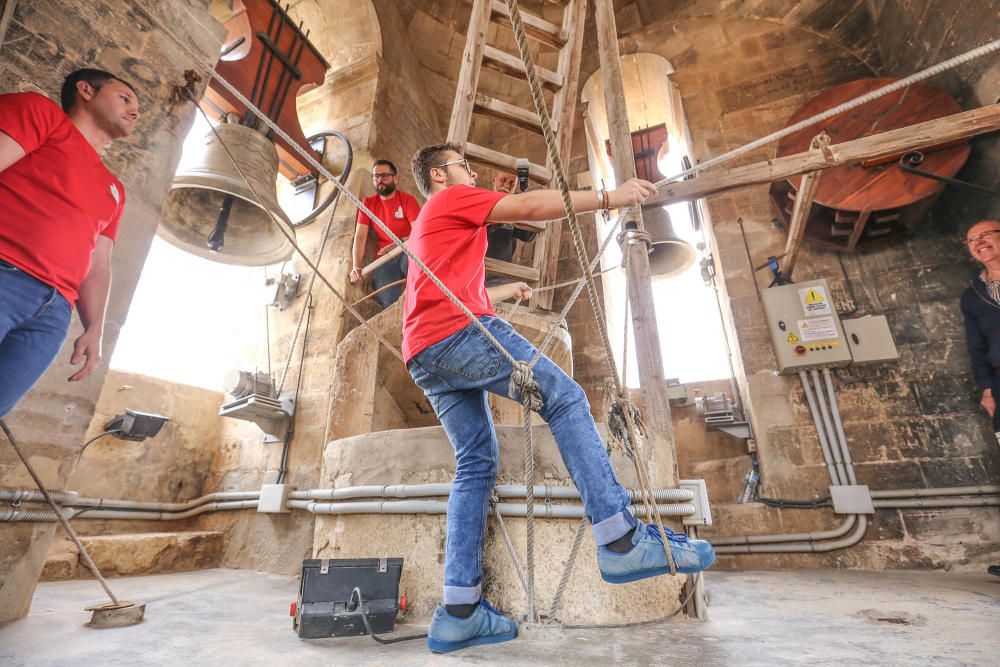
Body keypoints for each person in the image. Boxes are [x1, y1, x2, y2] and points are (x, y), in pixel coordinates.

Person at [403, 143, 716, 654]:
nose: (473, 172)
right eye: (464, 164)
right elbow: (527, 209)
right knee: (566, 397)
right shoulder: (450, 198)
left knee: (475, 463)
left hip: (424, 352)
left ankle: (459, 612)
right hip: (456, 333)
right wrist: (611, 196)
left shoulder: (433, 227)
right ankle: (619, 540)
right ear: (439, 173)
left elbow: (465, 289)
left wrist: (507, 293)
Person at [0, 69, 140, 418]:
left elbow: (99, 264)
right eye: (125, 97)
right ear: (86, 90)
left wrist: (95, 329)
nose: (135, 112)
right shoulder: (41, 115)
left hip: (53, 313)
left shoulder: (115, 190)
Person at [959, 219, 1000, 579]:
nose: (979, 242)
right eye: (973, 240)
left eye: (986, 235)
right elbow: (976, 347)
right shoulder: (973, 295)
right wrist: (987, 388)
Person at [349, 159, 421, 308]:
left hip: (407, 249)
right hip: (384, 258)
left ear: (395, 179)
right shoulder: (368, 204)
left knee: (415, 269)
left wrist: (399, 243)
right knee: (389, 299)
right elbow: (360, 237)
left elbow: (419, 232)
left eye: (384, 176)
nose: (379, 180)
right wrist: (356, 266)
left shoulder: (408, 200)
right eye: (376, 176)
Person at [485, 172, 537, 288]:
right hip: (476, 270)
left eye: (512, 183)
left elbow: (528, 236)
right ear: (494, 179)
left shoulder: (514, 210)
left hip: (498, 275)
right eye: (503, 180)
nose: (506, 185)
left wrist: (525, 201)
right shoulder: (482, 201)